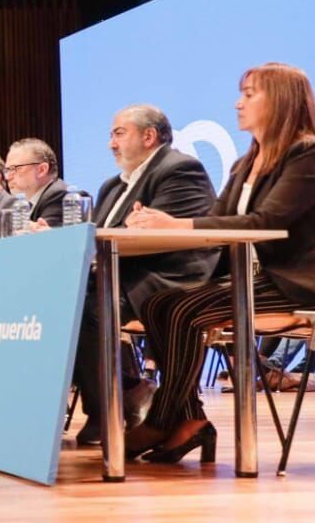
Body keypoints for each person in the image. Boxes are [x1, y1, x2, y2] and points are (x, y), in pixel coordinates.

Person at [124, 63, 315, 462]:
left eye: (250, 93)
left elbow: (266, 222)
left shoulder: (309, 154)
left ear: (282, 100)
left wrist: (176, 223)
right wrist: (155, 225)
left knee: (182, 310)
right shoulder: (245, 164)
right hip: (265, 280)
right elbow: (219, 222)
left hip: (309, 284)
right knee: (157, 303)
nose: (239, 103)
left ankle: (166, 419)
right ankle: (189, 420)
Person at [72, 105, 218, 445]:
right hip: (120, 274)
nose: (111, 143)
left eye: (118, 133)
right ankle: (127, 392)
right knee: (60, 302)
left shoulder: (179, 169)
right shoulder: (112, 185)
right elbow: (99, 235)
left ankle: (109, 409)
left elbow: (163, 238)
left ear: (149, 136)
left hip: (167, 275)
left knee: (85, 308)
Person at [3, 138, 71, 228]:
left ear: (41, 170)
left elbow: (45, 240)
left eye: (14, 168)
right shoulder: (25, 203)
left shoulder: (60, 196)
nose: (8, 177)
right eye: (7, 170)